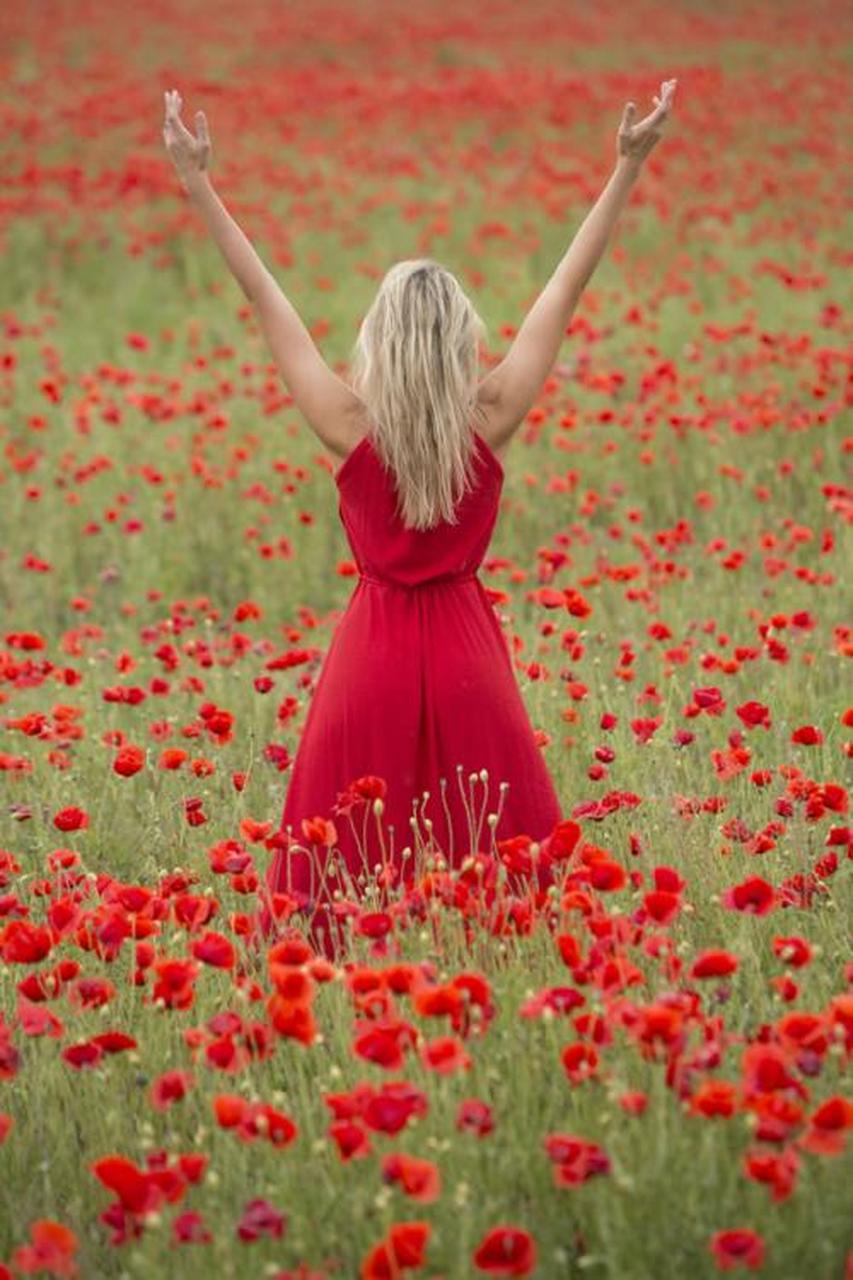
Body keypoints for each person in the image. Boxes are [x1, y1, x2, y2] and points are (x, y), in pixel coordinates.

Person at [163, 79, 677, 956]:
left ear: (379, 338)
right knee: (497, 879)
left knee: (343, 876)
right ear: (459, 339)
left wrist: (199, 184)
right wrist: (625, 170)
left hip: (370, 658)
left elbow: (265, 299)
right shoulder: (493, 414)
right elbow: (567, 286)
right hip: (468, 653)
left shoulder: (344, 424)